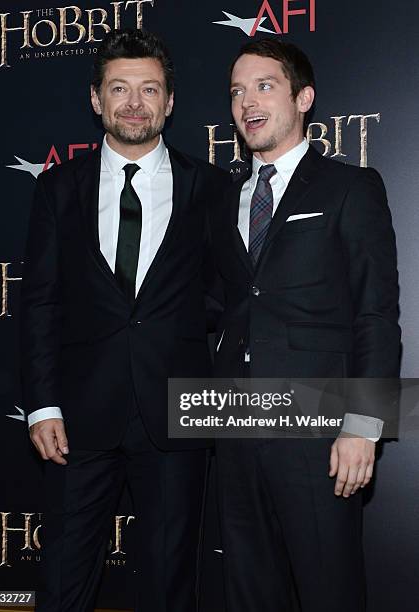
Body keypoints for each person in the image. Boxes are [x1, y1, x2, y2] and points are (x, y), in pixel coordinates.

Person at [20, 28, 229, 612]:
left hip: (176, 411)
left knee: (168, 581)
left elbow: (227, 293)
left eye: (149, 89)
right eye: (119, 89)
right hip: (79, 417)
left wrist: (176, 340)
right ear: (96, 100)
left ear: (169, 102)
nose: (134, 103)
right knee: (63, 578)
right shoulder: (58, 188)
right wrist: (42, 403)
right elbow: (39, 302)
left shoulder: (209, 187)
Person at [211, 39, 400, 611]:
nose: (248, 102)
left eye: (264, 85)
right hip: (234, 430)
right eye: (237, 92)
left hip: (319, 432)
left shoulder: (350, 188)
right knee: (248, 595)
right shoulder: (225, 200)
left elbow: (376, 314)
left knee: (329, 592)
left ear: (305, 97)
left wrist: (364, 424)